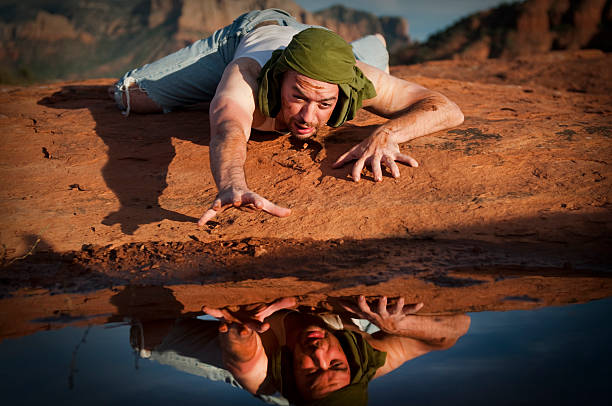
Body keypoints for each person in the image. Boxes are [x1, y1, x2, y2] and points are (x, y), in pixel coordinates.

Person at [111, 9, 464, 226]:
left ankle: (370, 43)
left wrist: (389, 133)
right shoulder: (247, 72)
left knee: (367, 70)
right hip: (252, 33)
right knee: (130, 96)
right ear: (280, 79)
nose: (308, 117)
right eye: (297, 97)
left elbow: (448, 108)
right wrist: (232, 183)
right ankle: (214, 81)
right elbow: (227, 129)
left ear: (341, 92)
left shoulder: (357, 78)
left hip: (327, 44)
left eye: (324, 103)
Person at [131, 296, 470, 405]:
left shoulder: (268, 377)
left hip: (265, 354)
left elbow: (243, 359)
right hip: (345, 332)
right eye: (335, 365)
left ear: (294, 372)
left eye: (311, 371)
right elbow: (457, 329)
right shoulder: (371, 358)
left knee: (147, 334)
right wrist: (399, 327)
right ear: (351, 366)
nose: (320, 353)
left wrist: (241, 333)